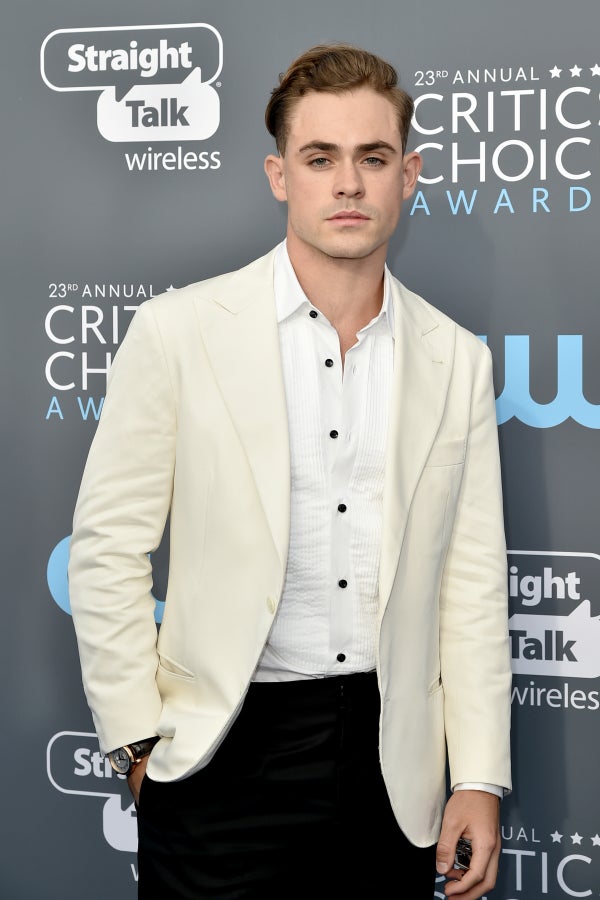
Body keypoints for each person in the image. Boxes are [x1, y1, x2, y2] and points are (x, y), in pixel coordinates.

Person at [68, 42, 512, 900]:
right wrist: (136, 744)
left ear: (408, 175)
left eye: (372, 158)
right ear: (280, 176)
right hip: (219, 753)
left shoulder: (456, 359)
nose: (348, 184)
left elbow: (471, 583)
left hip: (392, 768)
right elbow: (107, 547)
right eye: (320, 158)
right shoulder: (180, 333)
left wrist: (478, 775)